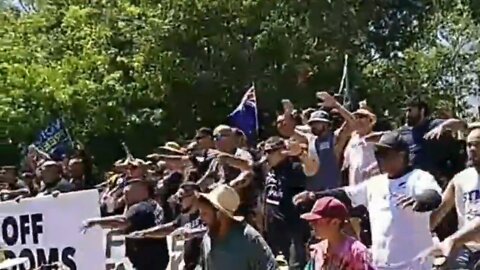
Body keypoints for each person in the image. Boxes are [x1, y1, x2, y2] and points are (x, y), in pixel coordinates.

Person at [294, 131, 442, 269]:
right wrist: (314, 196)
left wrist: (421, 200)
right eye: (378, 154)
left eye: (385, 154)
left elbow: (434, 195)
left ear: (402, 155)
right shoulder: (375, 183)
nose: (380, 158)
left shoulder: (418, 177)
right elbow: (346, 195)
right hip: (380, 265)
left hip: (415, 265)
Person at [83, 179, 169, 270]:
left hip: (147, 260)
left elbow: (122, 221)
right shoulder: (152, 206)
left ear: (143, 191)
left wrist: (94, 222)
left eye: (128, 193)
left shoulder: (141, 207)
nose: (125, 196)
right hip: (157, 258)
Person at [262, 136, 317, 269]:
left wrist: (300, 153)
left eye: (270, 151)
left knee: (295, 264)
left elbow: (311, 169)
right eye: (265, 151)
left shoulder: (295, 168)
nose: (267, 156)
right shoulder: (270, 169)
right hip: (274, 226)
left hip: (293, 226)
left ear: (282, 151)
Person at [430, 128, 480, 268]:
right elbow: (439, 211)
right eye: (469, 145)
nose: (472, 149)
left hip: (459, 242)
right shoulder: (460, 179)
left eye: (477, 144)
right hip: (466, 251)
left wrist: (452, 240)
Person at [197, 184, 277, 270]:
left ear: (220, 214)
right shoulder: (207, 239)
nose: (201, 218)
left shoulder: (249, 239)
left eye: (205, 213)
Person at [130, 182, 205, 270]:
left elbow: (211, 230)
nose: (179, 203)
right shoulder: (184, 216)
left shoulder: (206, 213)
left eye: (181, 199)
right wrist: (144, 233)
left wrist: (192, 233)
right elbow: (169, 228)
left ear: (194, 196)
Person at [301, 196, 374, 270]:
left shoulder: (356, 252)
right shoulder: (318, 252)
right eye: (312, 222)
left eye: (318, 221)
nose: (312, 225)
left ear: (335, 222)